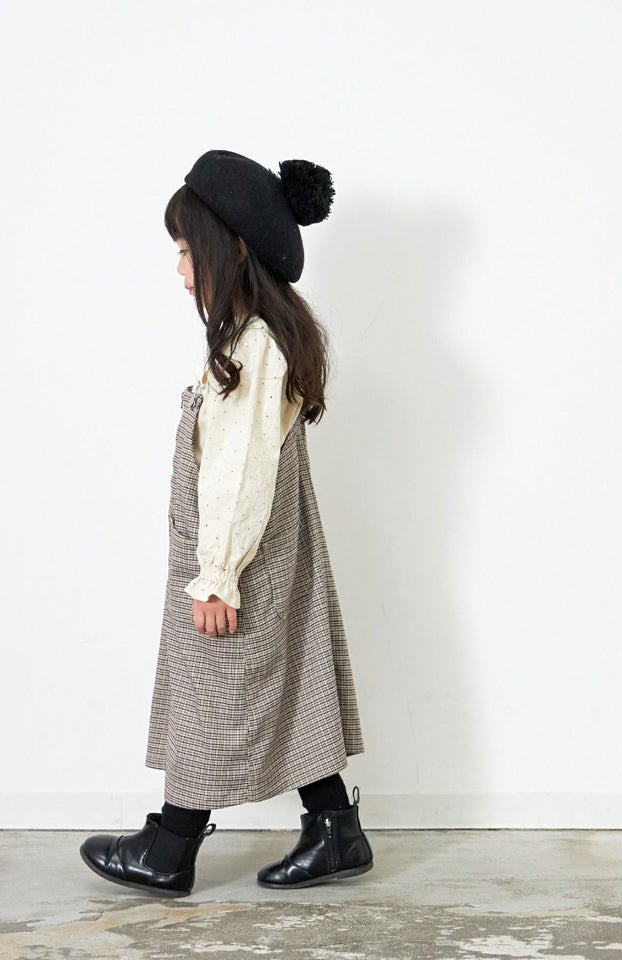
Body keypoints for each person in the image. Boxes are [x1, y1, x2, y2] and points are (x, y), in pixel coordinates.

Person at [79, 149, 373, 898]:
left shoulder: (255, 349)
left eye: (186, 250)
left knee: (214, 690)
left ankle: (170, 847)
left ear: (232, 247)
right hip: (252, 556)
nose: (181, 271)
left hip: (240, 562)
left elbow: (239, 471)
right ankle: (334, 830)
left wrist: (217, 575)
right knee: (278, 684)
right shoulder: (251, 340)